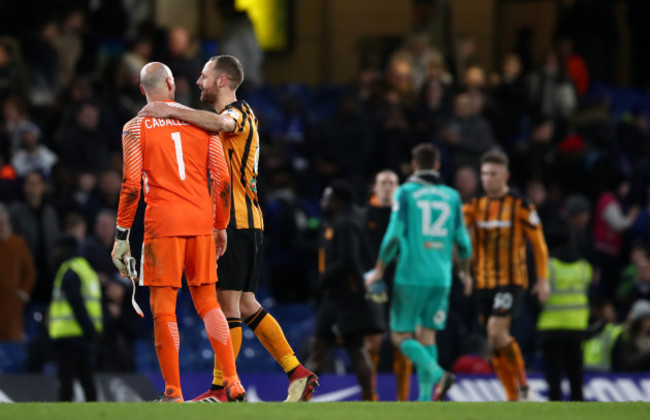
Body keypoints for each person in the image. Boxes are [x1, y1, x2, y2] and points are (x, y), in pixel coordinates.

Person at [138, 55, 318, 402]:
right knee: (247, 303)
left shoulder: (239, 113)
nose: (199, 82)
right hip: (247, 221)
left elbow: (222, 124)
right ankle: (297, 371)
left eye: (205, 77)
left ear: (223, 80)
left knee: (225, 303)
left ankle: (223, 388)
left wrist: (171, 110)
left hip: (234, 221)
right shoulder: (225, 119)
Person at [111, 62, 244, 403]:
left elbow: (130, 187)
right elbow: (223, 180)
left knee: (164, 309)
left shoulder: (134, 127)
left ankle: (173, 392)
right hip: (201, 223)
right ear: (171, 84)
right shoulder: (201, 123)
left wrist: (122, 236)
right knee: (208, 303)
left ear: (143, 89)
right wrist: (219, 225)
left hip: (162, 227)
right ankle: (232, 381)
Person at [366, 143, 473, 402]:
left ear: (414, 166)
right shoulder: (452, 196)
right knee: (428, 335)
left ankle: (437, 374)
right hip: (442, 278)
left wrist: (379, 271)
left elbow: (393, 237)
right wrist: (466, 274)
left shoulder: (406, 193)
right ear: (437, 166)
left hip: (411, 276)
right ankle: (425, 402)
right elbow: (464, 243)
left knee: (399, 335)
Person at [463, 150, 550, 401]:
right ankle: (513, 397)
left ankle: (523, 386)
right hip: (483, 282)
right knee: (494, 341)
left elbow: (539, 243)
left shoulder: (520, 205)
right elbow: (461, 240)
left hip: (511, 281)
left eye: (492, 174)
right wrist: (465, 273)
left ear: (505, 175)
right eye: (484, 174)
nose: (487, 179)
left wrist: (542, 278)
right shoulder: (473, 206)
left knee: (495, 331)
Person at [306, 180, 379, 401]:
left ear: (338, 201)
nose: (323, 202)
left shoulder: (347, 224)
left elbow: (349, 260)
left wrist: (322, 280)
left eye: (327, 197)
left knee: (356, 350)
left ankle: (369, 397)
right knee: (318, 349)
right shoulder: (335, 223)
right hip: (332, 299)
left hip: (347, 299)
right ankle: (300, 400)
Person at [363, 169, 413, 401]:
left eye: (392, 183)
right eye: (382, 182)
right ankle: (370, 396)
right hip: (373, 284)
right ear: (374, 187)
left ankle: (402, 399)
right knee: (373, 339)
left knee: (402, 339)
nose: (387, 187)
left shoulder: (406, 216)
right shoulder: (364, 215)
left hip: (402, 284)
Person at [48, 235, 102, 402]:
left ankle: (65, 413)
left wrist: (88, 328)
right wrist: (92, 330)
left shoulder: (69, 270)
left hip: (68, 333)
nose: (55, 253)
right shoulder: (87, 270)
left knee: (66, 381)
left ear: (66, 249)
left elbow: (76, 303)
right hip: (84, 334)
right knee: (87, 379)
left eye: (58, 249)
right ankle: (95, 411)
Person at [536, 243, 592, 401]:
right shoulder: (584, 267)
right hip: (577, 326)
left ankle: (555, 405)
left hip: (551, 327)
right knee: (576, 372)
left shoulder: (549, 267)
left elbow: (538, 297)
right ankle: (578, 404)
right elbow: (590, 293)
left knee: (553, 373)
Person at [0, 203, 35, 341]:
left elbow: (30, 271)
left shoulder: (18, 243)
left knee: (12, 340)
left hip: (12, 304)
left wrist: (23, 293)